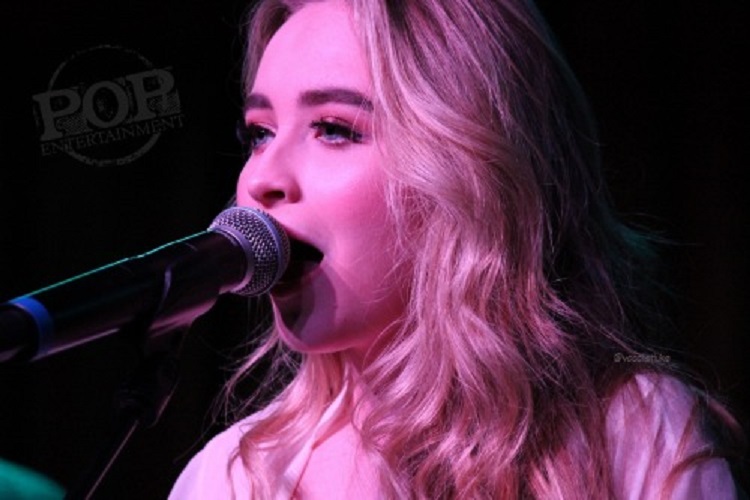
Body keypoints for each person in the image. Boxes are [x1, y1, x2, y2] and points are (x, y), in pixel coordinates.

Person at [170, 0, 746, 498]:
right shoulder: (231, 479)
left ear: (470, 168)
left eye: (335, 129)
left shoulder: (633, 435)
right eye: (259, 134)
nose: (260, 179)